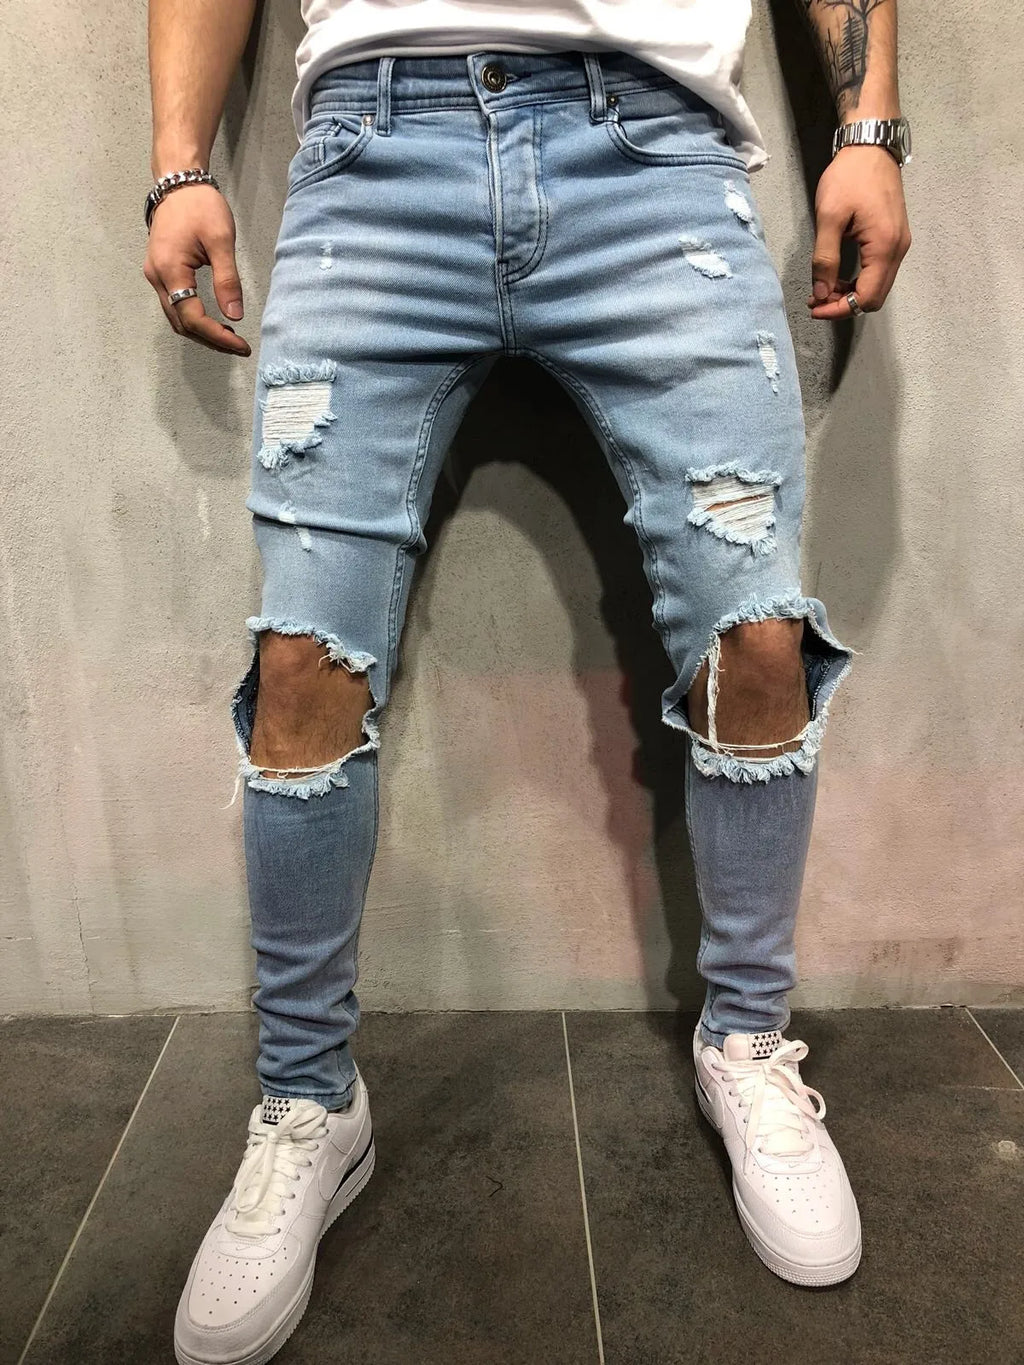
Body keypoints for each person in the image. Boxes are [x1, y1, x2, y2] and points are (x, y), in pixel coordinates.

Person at [144, 1, 911, 1359]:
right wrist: (178, 159)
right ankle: (309, 1101)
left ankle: (745, 1042)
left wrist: (867, 128)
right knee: (303, 666)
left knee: (755, 637)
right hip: (375, 154)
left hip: (657, 150)